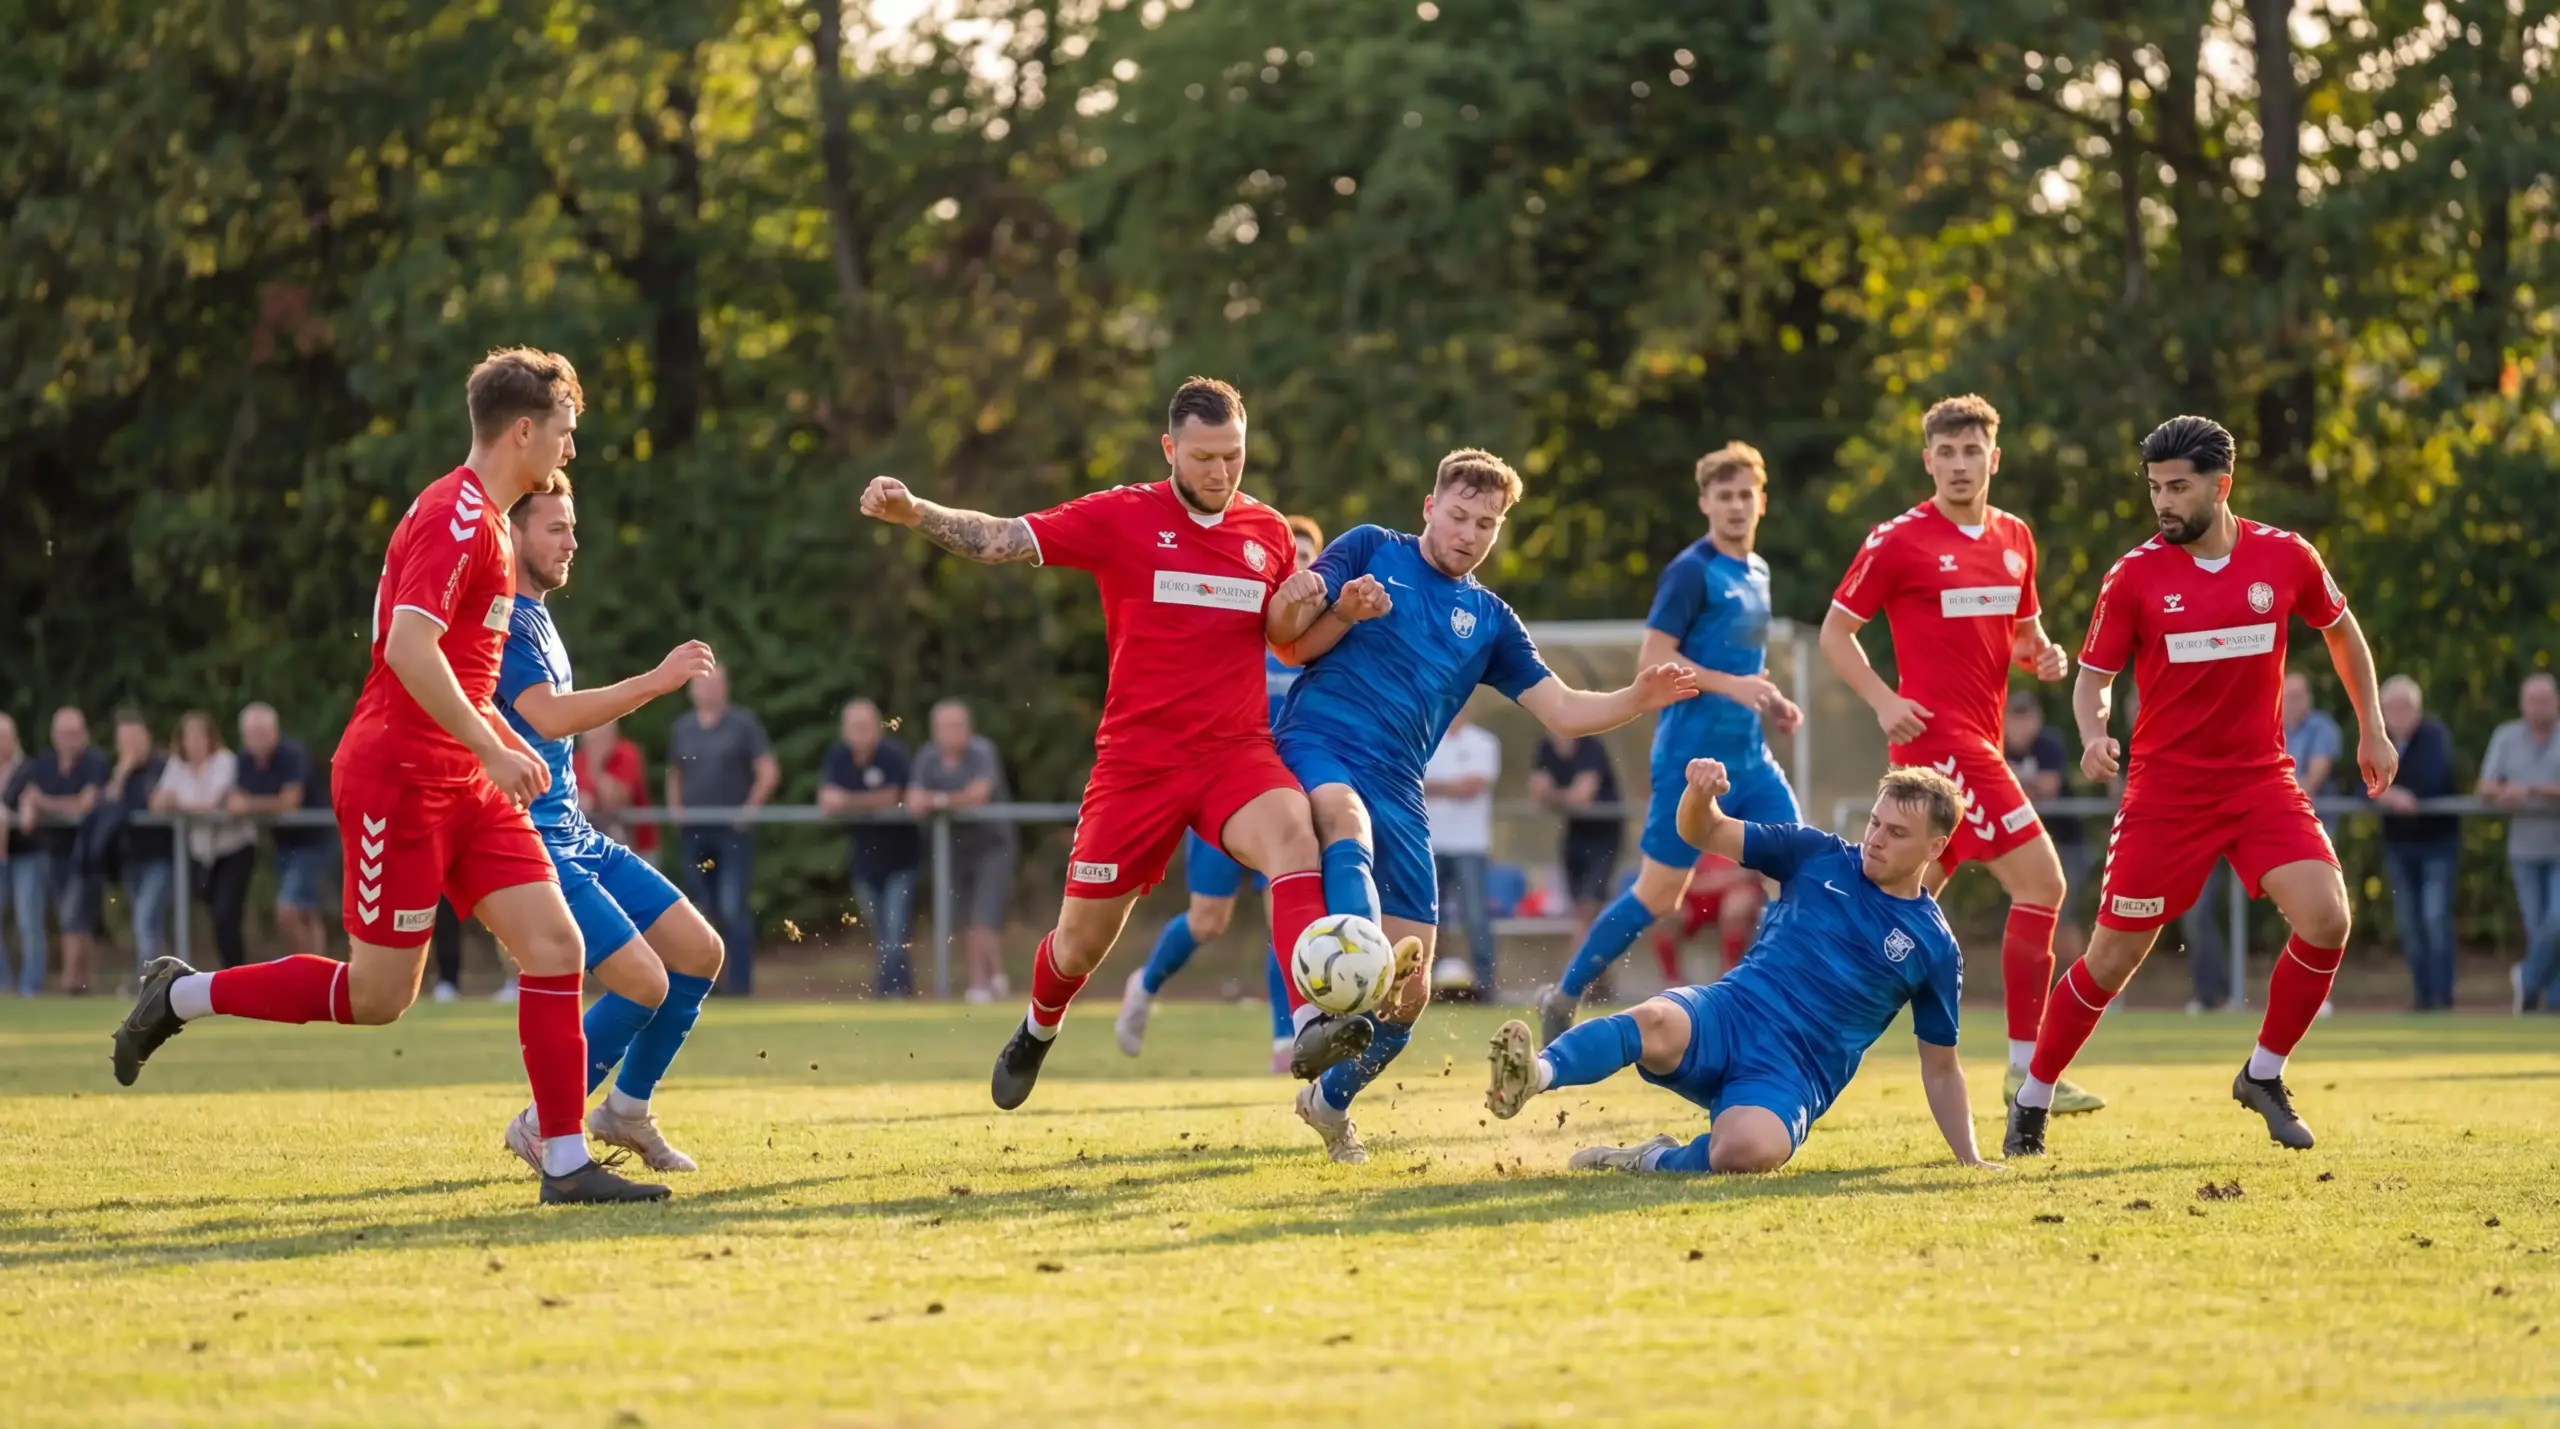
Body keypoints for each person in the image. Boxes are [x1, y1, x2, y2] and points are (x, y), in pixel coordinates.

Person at [112, 346, 668, 1204]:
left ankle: (563, 1160)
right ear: (523, 431)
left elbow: (461, 675)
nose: (570, 448)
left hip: (465, 781)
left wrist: (492, 742)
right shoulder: (456, 515)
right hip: (397, 781)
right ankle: (180, 995)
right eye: (563, 431)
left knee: (556, 947)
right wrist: (493, 746)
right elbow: (409, 650)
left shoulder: (490, 524)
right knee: (377, 996)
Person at [862, 377, 1337, 1110]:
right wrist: (915, 511)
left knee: (1295, 836)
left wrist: (1316, 607)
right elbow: (1003, 538)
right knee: (1080, 943)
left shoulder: (1269, 531)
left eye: (1233, 456)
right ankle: (1037, 1026)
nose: (1220, 471)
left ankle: (1310, 1024)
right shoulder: (1122, 516)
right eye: (1204, 457)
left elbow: (1284, 639)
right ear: (1169, 448)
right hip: (1138, 766)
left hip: (1234, 754)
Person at [1261, 448, 1700, 1163]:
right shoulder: (1371, 548)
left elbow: (1563, 709)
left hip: (1401, 784)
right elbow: (1287, 633)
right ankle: (1339, 988)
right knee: (1344, 818)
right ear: (1429, 507)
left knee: (1410, 996)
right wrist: (1326, 601)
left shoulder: (1490, 619)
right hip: (1320, 743)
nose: (1468, 534)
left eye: (1486, 524)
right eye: (1458, 515)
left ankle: (1328, 1103)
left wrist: (1636, 697)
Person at [2005, 414, 2394, 1159]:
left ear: (2222, 486)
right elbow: (2093, 678)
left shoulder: (2286, 556)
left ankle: (2263, 1074)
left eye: (2178, 487)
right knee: (2112, 961)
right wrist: (2092, 734)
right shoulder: (2134, 575)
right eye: (2155, 487)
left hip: (2260, 782)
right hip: (2166, 795)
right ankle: (2033, 1097)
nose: (2163, 502)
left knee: (2327, 918)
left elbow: (2342, 632)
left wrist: (2372, 727)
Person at [1484, 760, 1994, 1174]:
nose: (1876, 838)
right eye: (1875, 822)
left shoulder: (1934, 946)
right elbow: (1703, 830)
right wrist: (1700, 795)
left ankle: (1650, 1159)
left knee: (1745, 1151)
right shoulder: (1816, 853)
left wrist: (1969, 1159)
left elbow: (1941, 1068)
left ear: (1935, 847)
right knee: (1654, 1018)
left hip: (1793, 1071)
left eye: (1897, 832)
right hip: (1730, 1014)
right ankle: (1536, 1073)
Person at [1819, 395, 2100, 1116]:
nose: (1958, 464)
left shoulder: (2015, 537)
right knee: (2042, 884)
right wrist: (1883, 700)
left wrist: (2043, 656)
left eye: (1971, 451)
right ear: (1928, 461)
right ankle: (2025, 1069)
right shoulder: (1898, 540)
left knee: (1898, 909)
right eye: (1945, 453)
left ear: (1993, 458)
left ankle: (1810, 1024)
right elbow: (1834, 633)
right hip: (1939, 744)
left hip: (1980, 744)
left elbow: (2023, 636)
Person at [493, 473, 727, 1173]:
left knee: (699, 952)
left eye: (572, 527)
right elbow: (547, 716)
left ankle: (625, 1111)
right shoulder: (503, 620)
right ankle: (543, 1123)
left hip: (579, 834)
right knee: (642, 982)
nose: (572, 542)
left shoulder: (538, 615)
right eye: (555, 528)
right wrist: (655, 681)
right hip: (534, 844)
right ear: (512, 534)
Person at [1540, 442, 1801, 1041]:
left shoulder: (1758, 572)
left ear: (1762, 501)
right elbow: (1654, 659)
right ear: (1705, 501)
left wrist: (1768, 699)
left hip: (1752, 761)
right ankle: (1565, 993)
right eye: (1724, 495)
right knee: (1659, 895)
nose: (1736, 506)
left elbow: (1741, 667)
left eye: (1746, 495)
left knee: (1796, 875)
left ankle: (1778, 1007)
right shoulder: (1691, 570)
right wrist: (1732, 685)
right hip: (1690, 760)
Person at [1115, 515, 1327, 1074]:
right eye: (1292, 556)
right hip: (1226, 789)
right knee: (1208, 919)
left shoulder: (1326, 641)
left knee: (1286, 914)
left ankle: (1286, 1039)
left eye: (1310, 557)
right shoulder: (1244, 625)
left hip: (1289, 799)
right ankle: (1145, 985)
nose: (1300, 566)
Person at [664, 664, 776, 996]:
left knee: (732, 906)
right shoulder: (683, 727)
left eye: (715, 684)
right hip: (694, 833)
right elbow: (675, 772)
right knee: (699, 907)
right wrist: (675, 810)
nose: (709, 690)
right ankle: (705, 982)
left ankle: (740, 985)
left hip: (732, 833)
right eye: (703, 684)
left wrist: (748, 811)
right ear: (692, 690)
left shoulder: (743, 725)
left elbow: (768, 770)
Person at [909, 699, 1018, 1002]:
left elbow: (979, 793)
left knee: (984, 916)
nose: (952, 732)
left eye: (958, 725)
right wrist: (941, 801)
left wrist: (938, 801)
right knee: (965, 919)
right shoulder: (928, 757)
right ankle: (991, 977)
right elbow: (914, 798)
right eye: (945, 726)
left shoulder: (982, 752)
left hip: (992, 847)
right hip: (953, 850)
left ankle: (983, 983)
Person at [818, 698, 920, 998]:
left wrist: (849, 801)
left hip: (900, 859)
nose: (860, 733)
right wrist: (862, 801)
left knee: (895, 929)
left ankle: (891, 991)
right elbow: (826, 798)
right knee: (882, 931)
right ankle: (897, 987)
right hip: (864, 861)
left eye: (865, 726)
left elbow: (893, 795)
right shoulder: (838, 756)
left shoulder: (893, 755)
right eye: (854, 727)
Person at [2376, 675, 2459, 1011]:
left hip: (2437, 843)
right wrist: (2390, 795)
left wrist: (2392, 792)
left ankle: (2443, 997)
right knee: (2409, 923)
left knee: (2435, 917)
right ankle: (2423, 997)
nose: (2399, 713)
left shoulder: (2434, 736)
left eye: (2405, 706)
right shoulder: (2377, 739)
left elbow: (2434, 779)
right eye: (2392, 707)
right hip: (2399, 844)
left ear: (2418, 708)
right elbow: (2359, 783)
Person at [13, 707, 111, 994]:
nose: (70, 738)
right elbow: (27, 797)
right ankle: (83, 981)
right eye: (65, 733)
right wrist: (32, 805)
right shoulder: (42, 763)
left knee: (74, 914)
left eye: (75, 732)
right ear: (54, 735)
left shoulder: (95, 762)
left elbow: (85, 804)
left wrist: (44, 803)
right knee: (72, 918)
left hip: (87, 850)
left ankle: (71, 980)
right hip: (52, 850)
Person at [151, 712, 256, 969]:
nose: (195, 743)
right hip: (200, 853)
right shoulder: (177, 764)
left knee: (226, 914)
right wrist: (169, 802)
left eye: (200, 737)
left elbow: (212, 803)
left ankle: (236, 973)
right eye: (189, 737)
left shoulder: (224, 761)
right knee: (201, 912)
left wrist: (177, 805)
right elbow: (157, 802)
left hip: (233, 849)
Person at [2480, 672, 2560, 1012]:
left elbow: (2531, 789)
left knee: (2557, 922)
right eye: (2532, 700)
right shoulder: (2506, 736)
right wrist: (2505, 792)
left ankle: (2526, 978)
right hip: (2524, 849)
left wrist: (2530, 789)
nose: (2538, 707)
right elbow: (2485, 787)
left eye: (2545, 700)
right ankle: (2552, 1001)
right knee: (2537, 927)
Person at [232, 704, 328, 962]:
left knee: (289, 910)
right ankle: (318, 969)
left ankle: (306, 969)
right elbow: (234, 798)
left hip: (314, 840)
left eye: (264, 733)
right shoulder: (245, 761)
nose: (259, 740)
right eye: (253, 734)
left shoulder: (291, 754)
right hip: (284, 843)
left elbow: (289, 801)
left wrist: (249, 805)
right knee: (305, 911)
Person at [2002, 688, 2091, 966]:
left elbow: (2048, 788)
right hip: (2026, 846)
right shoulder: (1999, 745)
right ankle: (2043, 979)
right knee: (2032, 915)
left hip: (2066, 843)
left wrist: (2013, 784)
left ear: (2037, 719)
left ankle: (2076, 978)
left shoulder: (2048, 744)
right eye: (2015, 717)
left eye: (2026, 717)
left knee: (2063, 914)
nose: (2020, 726)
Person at [1423, 707, 1502, 995]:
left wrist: (1435, 787)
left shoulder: (1484, 742)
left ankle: (1486, 983)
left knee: (1476, 918)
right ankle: (1425, 985)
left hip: (1470, 845)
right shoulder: (1426, 741)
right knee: (1429, 918)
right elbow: (1415, 784)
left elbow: (1473, 786)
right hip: (1430, 844)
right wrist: (1454, 786)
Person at [1529, 730, 1624, 943]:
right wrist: (1567, 798)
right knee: (1577, 905)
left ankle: (1581, 962)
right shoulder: (1545, 748)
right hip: (1575, 831)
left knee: (1589, 905)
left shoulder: (1591, 745)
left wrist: (1553, 795)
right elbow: (1537, 794)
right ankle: (1592, 959)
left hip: (1604, 833)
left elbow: (1581, 795)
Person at [104, 708, 172, 985]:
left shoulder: (163, 767)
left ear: (146, 737)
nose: (129, 746)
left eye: (134, 738)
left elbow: (157, 803)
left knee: (145, 916)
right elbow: (109, 804)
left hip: (162, 856)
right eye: (124, 740)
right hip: (131, 857)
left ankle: (145, 979)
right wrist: (121, 772)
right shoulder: (119, 771)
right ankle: (168, 978)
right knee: (148, 921)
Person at [573, 718, 656, 858]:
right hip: (593, 849)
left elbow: (616, 801)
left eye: (598, 739)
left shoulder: (627, 754)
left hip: (636, 847)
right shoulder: (578, 759)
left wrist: (596, 765)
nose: (593, 746)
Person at [0, 714, 23, 992]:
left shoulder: (25, 770)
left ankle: (30, 986)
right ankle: (3, 983)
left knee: (27, 922)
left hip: (25, 854)